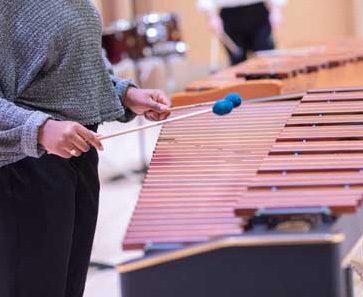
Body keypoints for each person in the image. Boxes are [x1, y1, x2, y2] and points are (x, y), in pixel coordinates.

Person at [0, 1, 170, 297]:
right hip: (24, 166)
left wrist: (125, 93)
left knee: (68, 287)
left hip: (78, 153)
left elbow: (82, 68)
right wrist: (39, 129)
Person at [197, 0, 287, 65]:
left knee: (265, 57)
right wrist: (212, 16)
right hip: (229, 15)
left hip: (257, 11)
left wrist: (276, 10)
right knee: (237, 59)